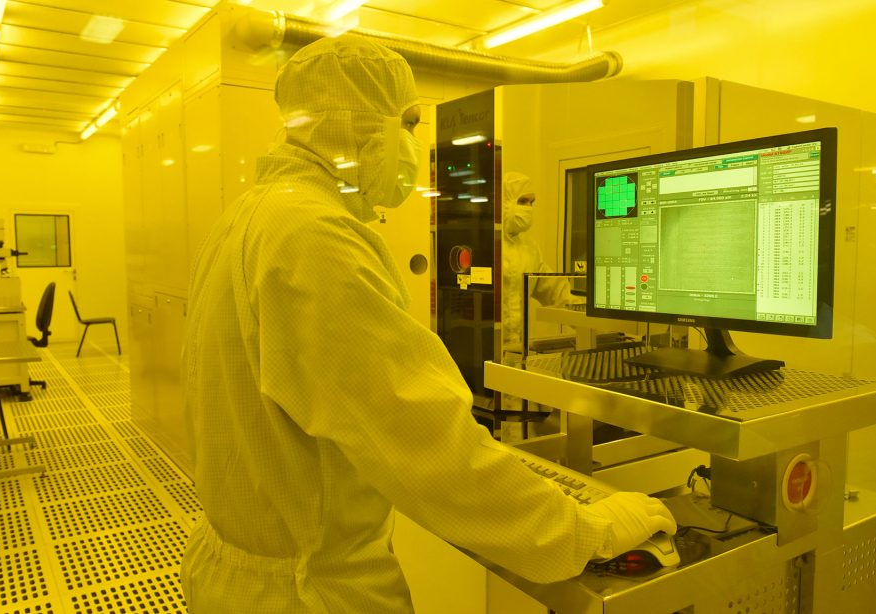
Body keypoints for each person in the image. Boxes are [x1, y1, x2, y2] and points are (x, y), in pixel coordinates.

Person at [180, 35, 676, 613]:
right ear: (359, 122)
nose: (414, 146)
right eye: (409, 124)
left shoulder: (254, 214)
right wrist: (584, 530)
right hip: (308, 591)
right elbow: (424, 441)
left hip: (247, 571)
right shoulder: (313, 235)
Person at [501, 171, 578, 353]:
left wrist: (594, 319)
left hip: (517, 347)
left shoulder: (529, 249)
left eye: (531, 202)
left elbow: (556, 292)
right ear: (504, 202)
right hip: (481, 346)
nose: (528, 208)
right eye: (522, 201)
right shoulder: (488, 245)